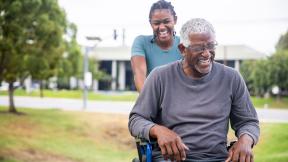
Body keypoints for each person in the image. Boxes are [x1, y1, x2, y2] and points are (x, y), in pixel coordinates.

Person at [128, 18, 260, 162]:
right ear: (182, 49)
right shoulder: (160, 77)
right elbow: (136, 120)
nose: (207, 54)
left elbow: (249, 122)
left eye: (211, 46)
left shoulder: (231, 78)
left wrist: (246, 140)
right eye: (198, 48)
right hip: (171, 159)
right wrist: (158, 131)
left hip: (218, 158)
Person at [131, 0, 182, 92]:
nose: (162, 27)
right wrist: (148, 101)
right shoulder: (141, 42)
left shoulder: (184, 44)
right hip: (153, 99)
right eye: (157, 23)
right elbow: (139, 74)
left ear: (175, 20)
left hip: (180, 100)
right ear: (151, 23)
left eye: (166, 21)